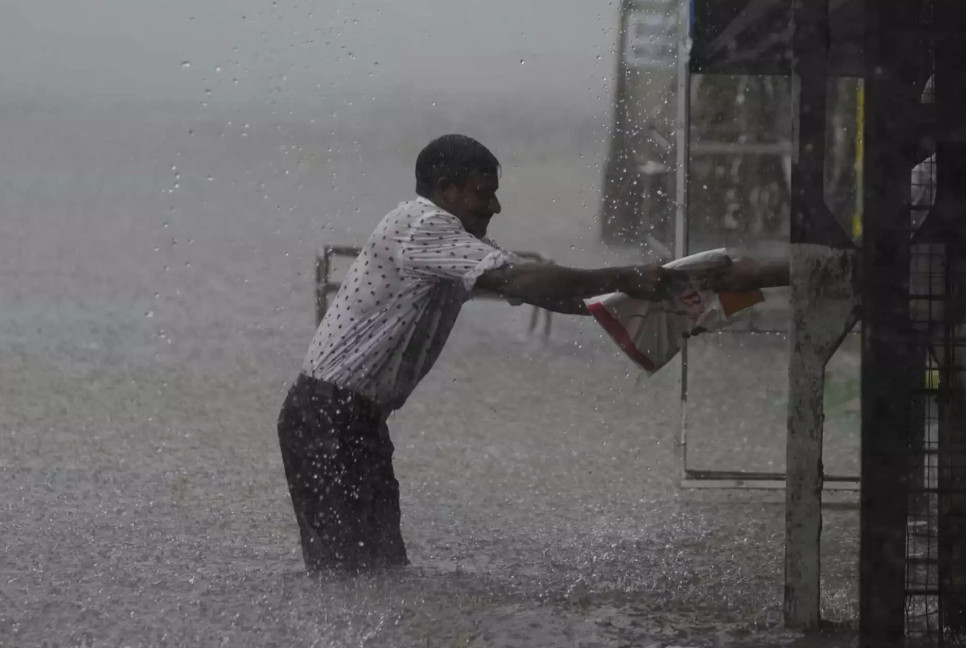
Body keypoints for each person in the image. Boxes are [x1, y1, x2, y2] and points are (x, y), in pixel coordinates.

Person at [276, 134, 695, 572]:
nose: (495, 207)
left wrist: (658, 311)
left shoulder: (457, 242)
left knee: (380, 570)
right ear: (445, 190)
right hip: (325, 418)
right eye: (484, 194)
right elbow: (521, 281)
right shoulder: (424, 224)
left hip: (352, 419)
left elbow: (545, 292)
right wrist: (627, 276)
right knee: (345, 575)